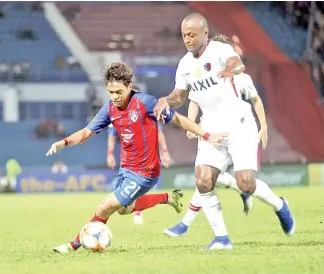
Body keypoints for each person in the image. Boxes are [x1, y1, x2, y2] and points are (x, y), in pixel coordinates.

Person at [46, 62, 227, 253]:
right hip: (126, 169)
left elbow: (178, 119)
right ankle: (169, 197)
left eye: (118, 92)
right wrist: (63, 142)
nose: (115, 97)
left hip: (146, 171)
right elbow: (85, 133)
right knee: (124, 209)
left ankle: (73, 245)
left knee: (107, 205)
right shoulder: (109, 109)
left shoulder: (146, 102)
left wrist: (206, 135)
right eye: (111, 92)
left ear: (129, 87)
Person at [154, 14, 295, 250]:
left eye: (192, 34)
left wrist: (231, 69)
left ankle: (280, 205)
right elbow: (180, 96)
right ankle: (222, 239)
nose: (187, 39)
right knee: (203, 181)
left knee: (246, 184)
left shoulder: (218, 49)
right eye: (184, 35)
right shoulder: (185, 64)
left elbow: (237, 63)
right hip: (210, 127)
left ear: (205, 33)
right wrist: (166, 100)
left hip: (240, 124)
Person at [163, 35, 258, 237]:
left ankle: (185, 224)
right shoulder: (194, 68)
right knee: (205, 179)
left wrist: (263, 126)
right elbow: (194, 99)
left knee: (231, 181)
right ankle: (189, 225)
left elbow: (255, 100)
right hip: (210, 128)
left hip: (237, 127)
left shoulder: (240, 78)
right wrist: (191, 124)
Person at [107, 121, 172, 225]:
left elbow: (158, 133)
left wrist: (165, 152)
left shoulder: (147, 111)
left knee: (125, 198)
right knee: (121, 208)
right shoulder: (117, 113)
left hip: (145, 160)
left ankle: (139, 212)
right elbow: (112, 135)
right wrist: (110, 154)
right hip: (126, 162)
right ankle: (166, 198)